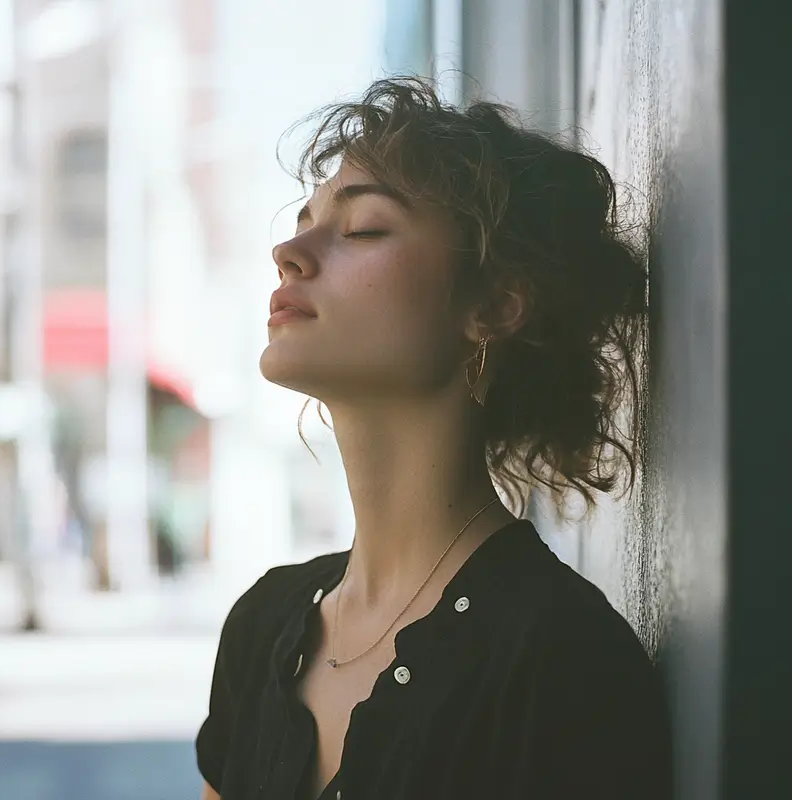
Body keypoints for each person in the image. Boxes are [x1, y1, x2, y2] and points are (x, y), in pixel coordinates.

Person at [196, 77, 671, 800]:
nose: (289, 252)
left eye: (363, 229)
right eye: (303, 219)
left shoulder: (560, 659)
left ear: (494, 306)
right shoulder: (262, 626)